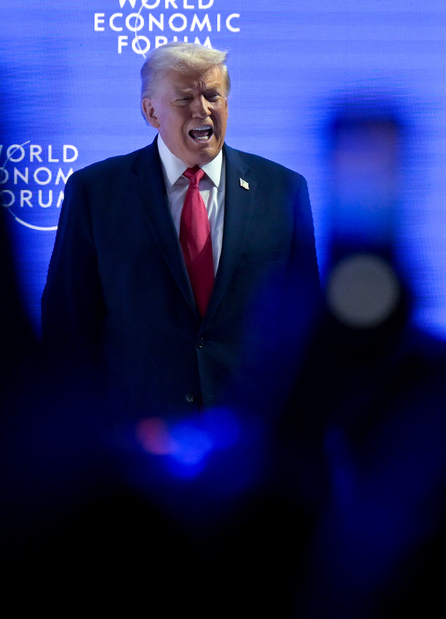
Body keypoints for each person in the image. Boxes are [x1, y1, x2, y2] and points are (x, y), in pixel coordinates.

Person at [41, 42, 320, 421]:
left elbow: (307, 321)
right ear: (151, 111)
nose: (202, 109)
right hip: (133, 439)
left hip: (252, 436)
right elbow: (68, 327)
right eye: (184, 98)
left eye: (212, 96)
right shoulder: (95, 192)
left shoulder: (283, 190)